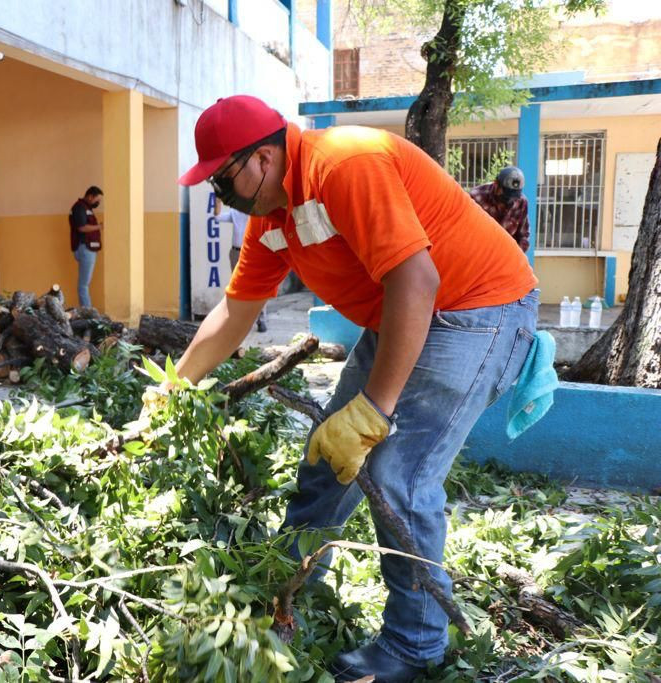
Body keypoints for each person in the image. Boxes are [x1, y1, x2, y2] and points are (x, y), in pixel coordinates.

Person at [168, 95, 538, 681]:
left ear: (263, 157)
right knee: (325, 457)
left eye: (223, 178)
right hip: (404, 313)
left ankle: (417, 646)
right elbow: (235, 314)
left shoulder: (344, 164)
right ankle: (284, 593)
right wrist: (171, 388)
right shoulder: (275, 217)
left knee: (398, 474)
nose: (222, 195)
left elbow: (417, 279)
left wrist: (373, 413)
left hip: (477, 308)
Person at [215, 204, 267, 332]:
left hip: (253, 252)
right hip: (236, 252)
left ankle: (261, 319)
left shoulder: (258, 212)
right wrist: (217, 201)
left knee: (257, 286)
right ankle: (238, 320)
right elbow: (217, 218)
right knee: (237, 287)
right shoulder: (235, 212)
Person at [469, 166, 530, 252]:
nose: (508, 201)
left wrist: (517, 256)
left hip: (505, 257)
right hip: (478, 253)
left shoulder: (521, 202)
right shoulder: (476, 197)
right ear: (496, 184)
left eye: (513, 198)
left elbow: (523, 235)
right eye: (506, 196)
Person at [69, 186, 104, 308]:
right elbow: (82, 227)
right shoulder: (79, 207)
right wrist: (99, 227)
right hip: (85, 249)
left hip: (88, 249)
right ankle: (88, 314)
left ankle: (87, 312)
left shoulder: (86, 207)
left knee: (84, 284)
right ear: (90, 196)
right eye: (97, 200)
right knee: (83, 285)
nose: (98, 203)